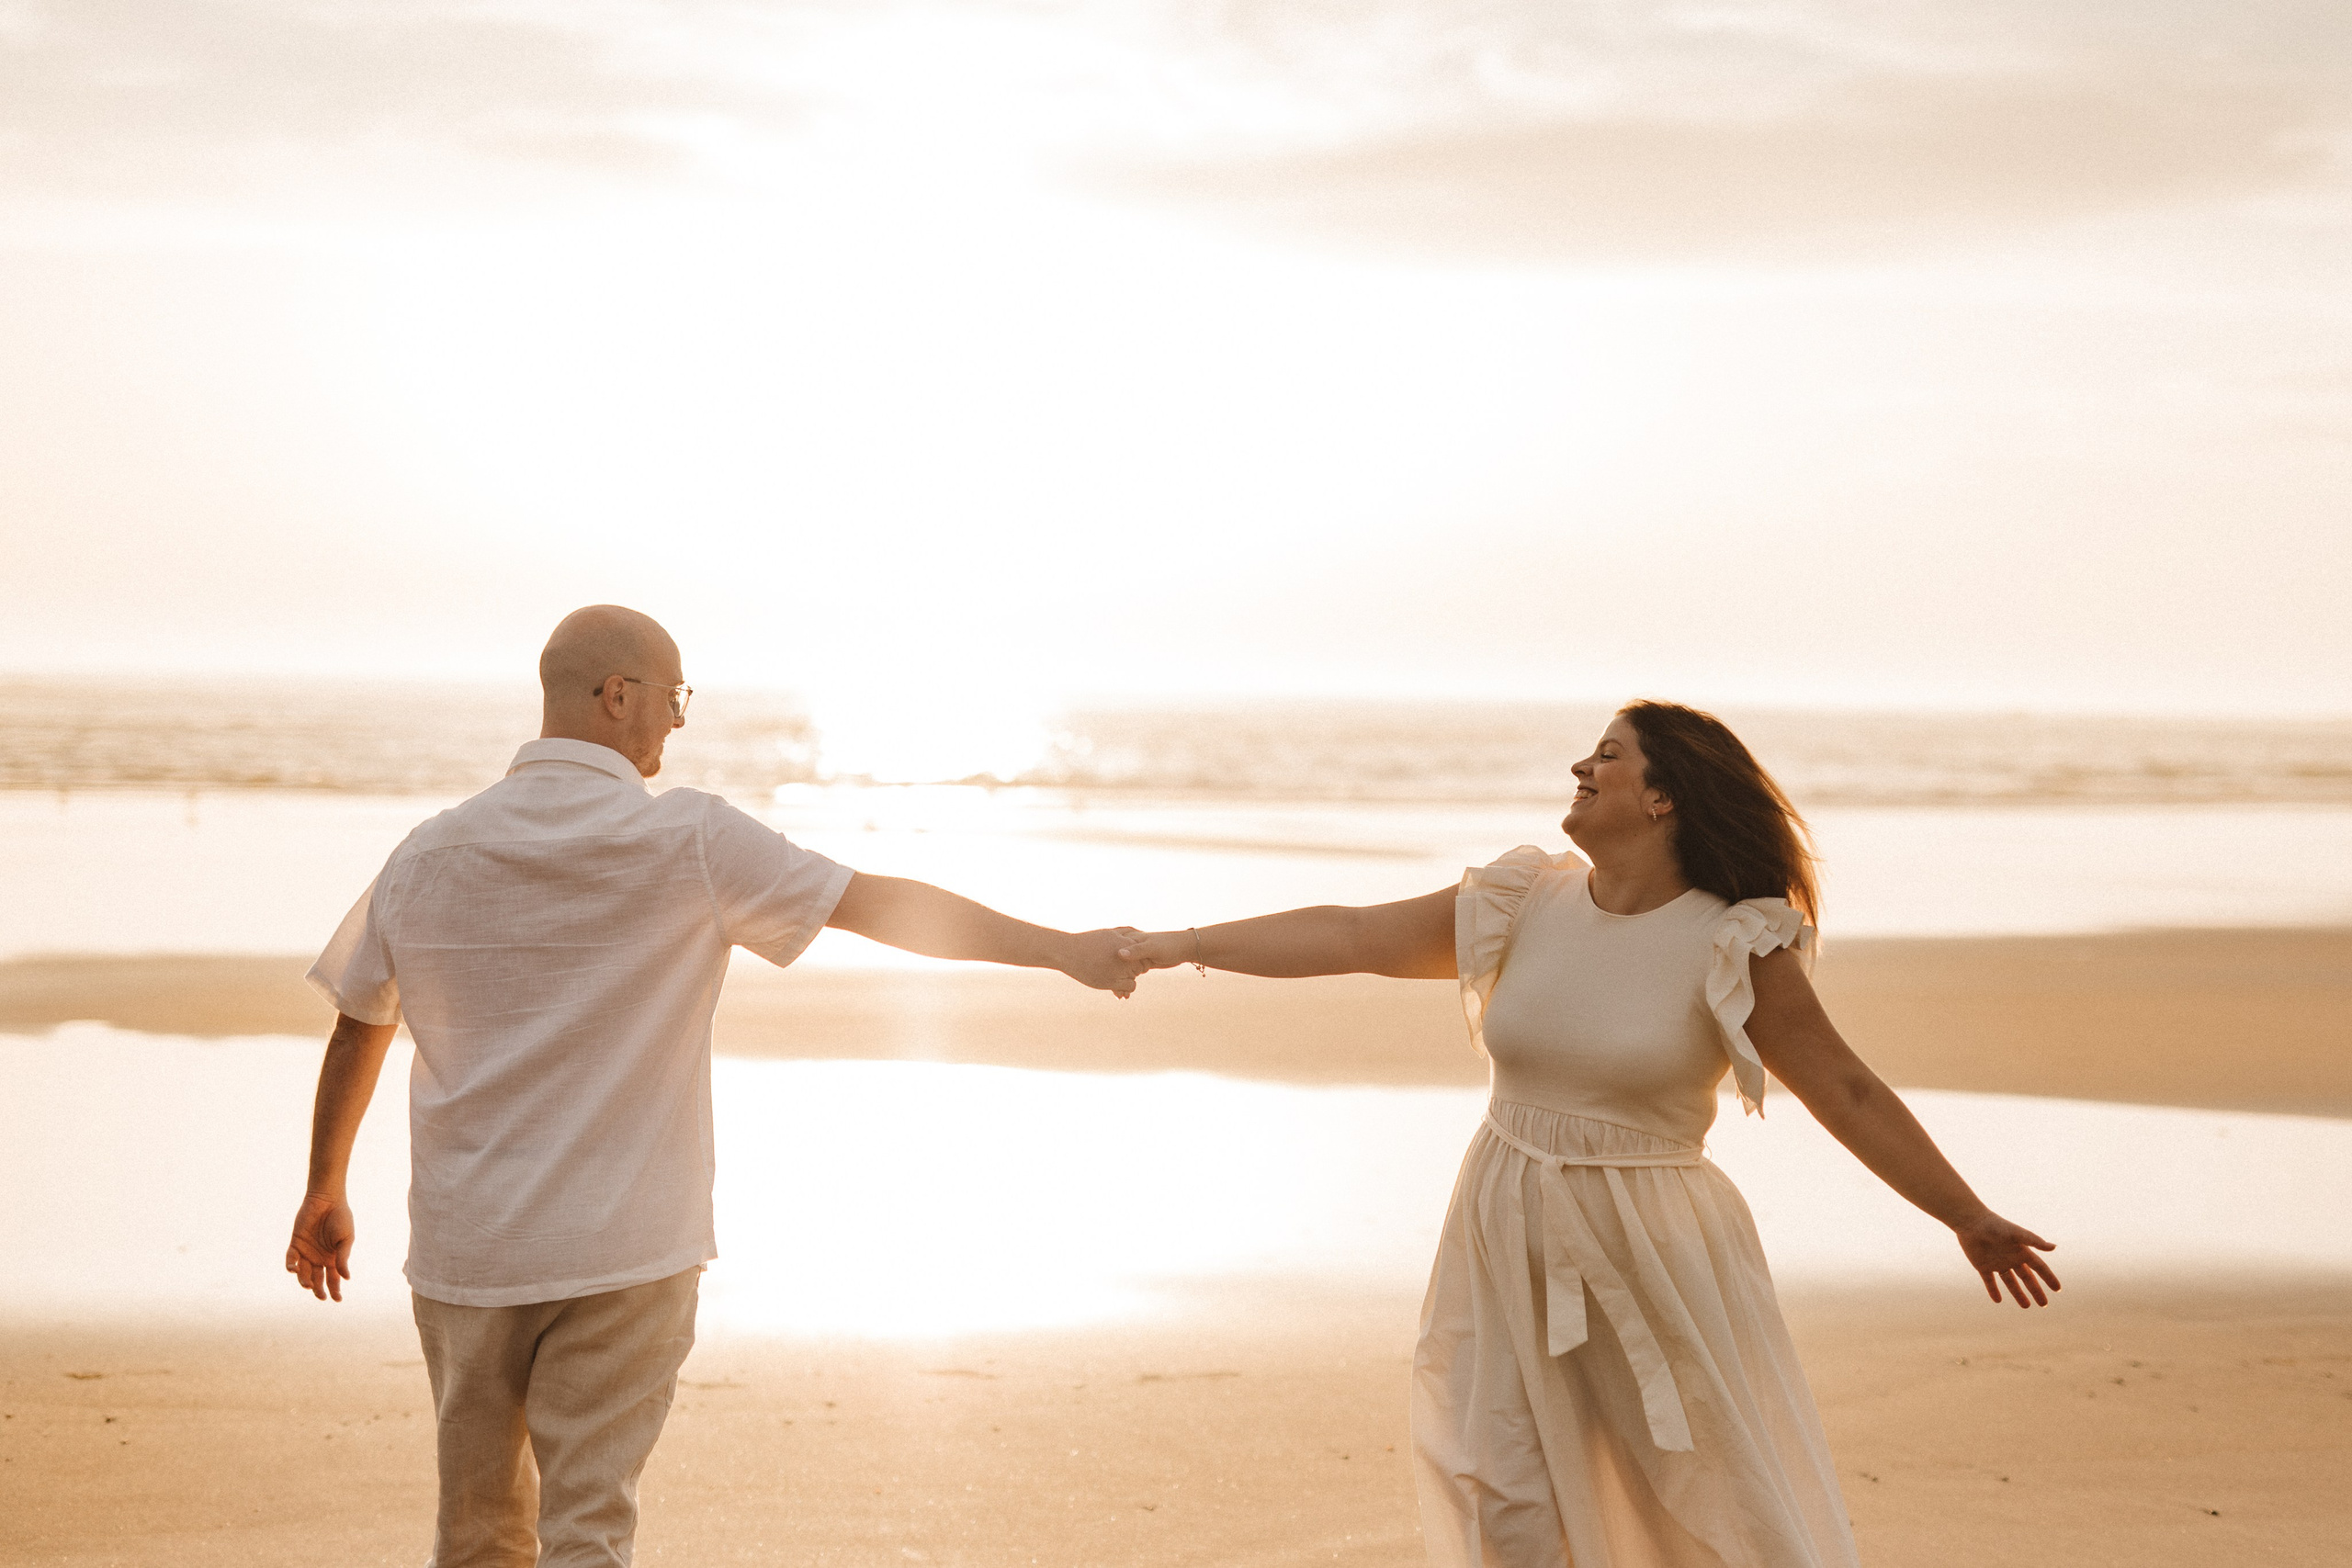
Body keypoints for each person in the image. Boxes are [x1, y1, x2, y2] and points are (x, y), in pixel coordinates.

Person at [284, 605, 1147, 1568]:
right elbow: (876, 905)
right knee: (588, 1527)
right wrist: (1056, 950)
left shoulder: (427, 852)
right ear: (618, 697)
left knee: (476, 1533)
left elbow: (360, 1022)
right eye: (672, 695)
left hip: (468, 1250)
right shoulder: (689, 839)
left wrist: (326, 1186)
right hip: (626, 1247)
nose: (677, 721)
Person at [1120, 700, 2060, 1568]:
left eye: (1608, 755)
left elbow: (1843, 1089)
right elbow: (1352, 935)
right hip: (1500, 1225)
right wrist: (1182, 944)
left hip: (1652, 1246)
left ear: (1662, 797)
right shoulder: (1524, 901)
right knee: (1499, 1489)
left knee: (1708, 1499)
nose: (1581, 764)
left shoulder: (1733, 940)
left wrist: (1964, 1215)